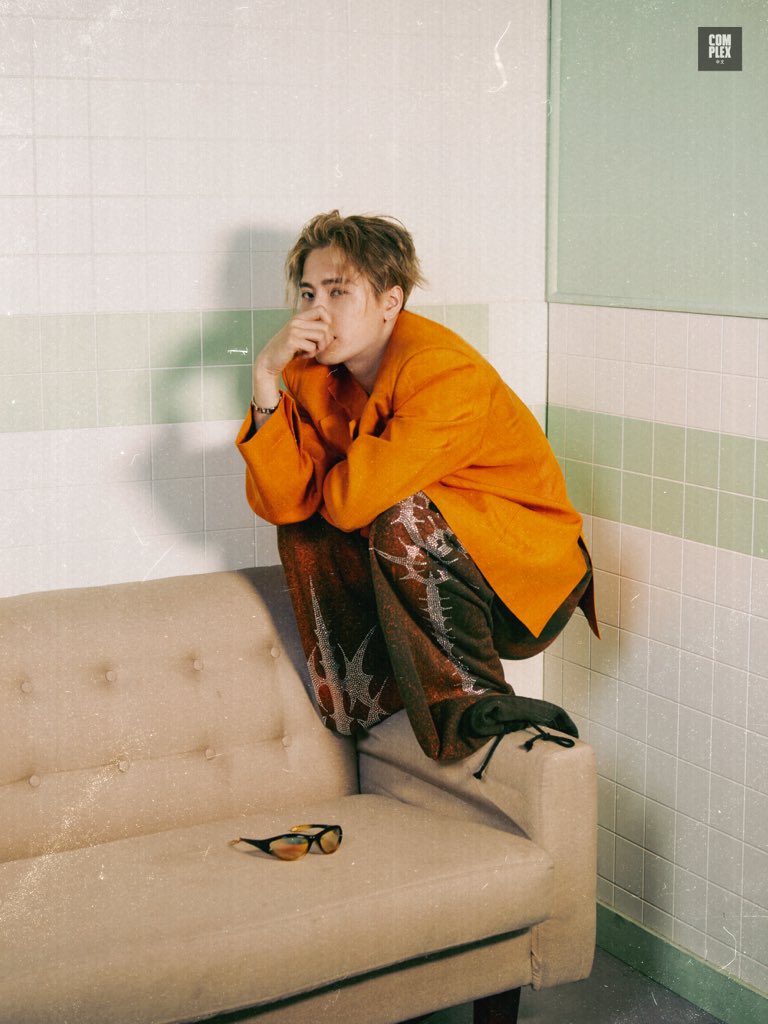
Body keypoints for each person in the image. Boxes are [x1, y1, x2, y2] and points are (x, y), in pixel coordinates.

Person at [236, 211, 599, 768]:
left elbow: (349, 504)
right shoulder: (311, 372)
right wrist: (265, 376)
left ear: (391, 302)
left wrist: (327, 481)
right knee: (310, 527)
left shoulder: (442, 371)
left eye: (338, 292)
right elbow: (286, 504)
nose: (316, 312)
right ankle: (366, 698)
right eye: (308, 294)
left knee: (399, 515)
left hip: (521, 578)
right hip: (440, 562)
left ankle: (475, 704)